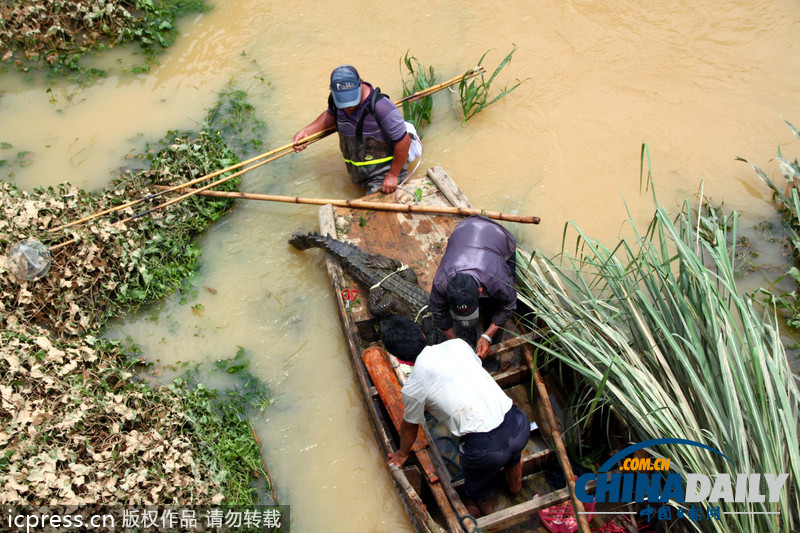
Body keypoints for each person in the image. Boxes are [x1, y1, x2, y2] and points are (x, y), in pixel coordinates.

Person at [382, 315, 530, 517]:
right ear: (423, 335)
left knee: (478, 490)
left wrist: (401, 454)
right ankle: (515, 488)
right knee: (513, 456)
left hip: (486, 450)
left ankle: (490, 517)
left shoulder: (413, 386)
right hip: (518, 423)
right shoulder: (458, 344)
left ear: (400, 359)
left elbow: (410, 426)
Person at [292, 65, 411, 195]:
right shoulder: (334, 101)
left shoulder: (382, 108)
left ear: (360, 84)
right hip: (358, 173)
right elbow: (331, 115)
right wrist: (307, 132)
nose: (348, 107)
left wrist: (393, 175)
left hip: (383, 174)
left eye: (352, 101)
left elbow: (404, 141)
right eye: (344, 103)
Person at [429, 215, 517, 359]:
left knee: (494, 308)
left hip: (498, 235)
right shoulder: (441, 282)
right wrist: (455, 343)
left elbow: (508, 305)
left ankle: (491, 355)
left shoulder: (497, 278)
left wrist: (487, 336)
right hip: (464, 229)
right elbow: (438, 311)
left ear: (480, 290)